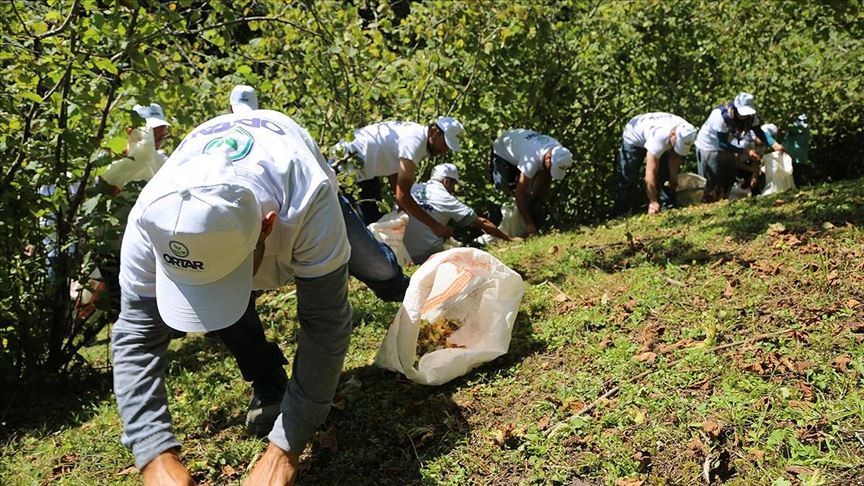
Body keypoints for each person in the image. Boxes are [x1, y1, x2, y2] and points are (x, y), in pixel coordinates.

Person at [112, 109, 354, 485]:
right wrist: (153, 454)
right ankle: (269, 382)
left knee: (377, 267)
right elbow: (136, 336)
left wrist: (284, 452)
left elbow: (325, 323)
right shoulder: (149, 220)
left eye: (225, 274)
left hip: (297, 174)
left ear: (266, 226)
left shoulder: (308, 199)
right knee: (229, 314)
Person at [334, 117, 465, 237]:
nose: (444, 151)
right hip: (343, 167)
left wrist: (402, 209)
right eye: (445, 145)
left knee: (373, 223)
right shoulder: (414, 142)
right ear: (433, 132)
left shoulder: (417, 137)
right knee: (348, 225)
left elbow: (394, 170)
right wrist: (436, 227)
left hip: (364, 172)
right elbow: (403, 196)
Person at [403, 163, 516, 264]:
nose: (453, 189)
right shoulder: (445, 198)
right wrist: (508, 239)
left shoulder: (412, 189)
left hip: (404, 253)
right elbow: (482, 223)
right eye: (453, 184)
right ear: (446, 181)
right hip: (426, 254)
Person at [694, 92, 785, 202]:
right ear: (736, 107)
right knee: (714, 180)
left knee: (729, 177)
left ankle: (723, 202)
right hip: (709, 146)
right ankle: (707, 205)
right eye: (743, 112)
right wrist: (745, 151)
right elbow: (721, 143)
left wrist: (774, 144)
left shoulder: (750, 118)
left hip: (729, 145)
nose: (744, 116)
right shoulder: (721, 116)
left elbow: (759, 132)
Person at [490, 129, 574, 236]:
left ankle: (532, 226)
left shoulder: (560, 152)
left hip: (521, 148)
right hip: (503, 148)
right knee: (502, 193)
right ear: (548, 158)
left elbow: (544, 177)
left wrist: (532, 196)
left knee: (535, 195)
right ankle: (497, 231)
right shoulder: (531, 159)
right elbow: (520, 193)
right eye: (551, 168)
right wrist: (530, 226)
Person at [612, 113, 697, 216]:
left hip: (653, 133)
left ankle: (668, 207)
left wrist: (673, 178)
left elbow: (675, 156)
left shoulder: (687, 131)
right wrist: (652, 201)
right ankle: (621, 212)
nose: (677, 147)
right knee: (628, 177)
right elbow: (650, 173)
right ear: (673, 134)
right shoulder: (659, 137)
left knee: (665, 175)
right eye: (677, 144)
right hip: (634, 135)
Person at [100, 103, 171, 193]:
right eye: (152, 138)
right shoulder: (107, 160)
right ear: (131, 131)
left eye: (160, 139)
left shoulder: (162, 163)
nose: (156, 145)